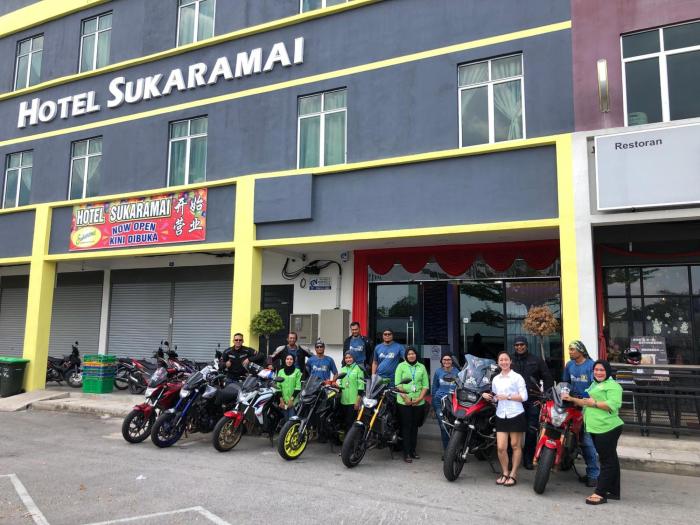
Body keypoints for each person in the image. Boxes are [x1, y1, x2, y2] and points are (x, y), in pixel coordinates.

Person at [562, 360, 623, 505]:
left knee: (606, 462)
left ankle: (600, 493)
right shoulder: (595, 384)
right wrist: (571, 399)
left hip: (607, 428)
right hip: (596, 428)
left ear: (607, 371)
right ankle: (613, 491)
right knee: (612, 460)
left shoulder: (613, 386)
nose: (598, 372)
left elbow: (613, 405)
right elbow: (586, 401)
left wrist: (594, 403)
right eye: (596, 370)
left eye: (602, 370)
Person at [483, 350, 528, 487]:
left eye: (506, 359)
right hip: (501, 414)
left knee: (515, 446)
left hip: (516, 414)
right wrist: (489, 397)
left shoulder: (517, 377)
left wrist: (508, 396)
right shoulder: (496, 379)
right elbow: (496, 397)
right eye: (501, 360)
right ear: (498, 363)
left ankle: (513, 474)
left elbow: (524, 397)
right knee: (501, 447)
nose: (504, 362)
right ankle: (505, 472)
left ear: (510, 361)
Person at [511, 335, 553, 469]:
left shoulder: (536, 360)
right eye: (517, 345)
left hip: (532, 400)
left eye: (522, 344)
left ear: (526, 345)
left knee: (531, 430)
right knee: (513, 430)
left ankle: (528, 459)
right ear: (514, 347)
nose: (519, 347)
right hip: (514, 400)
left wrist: (545, 396)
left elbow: (547, 378)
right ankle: (512, 458)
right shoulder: (509, 360)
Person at [562, 340, 600, 487]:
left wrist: (583, 400)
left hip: (587, 406)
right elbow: (565, 383)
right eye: (569, 349)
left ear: (581, 350)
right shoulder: (569, 365)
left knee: (586, 440)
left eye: (572, 349)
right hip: (572, 404)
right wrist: (564, 393)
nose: (570, 352)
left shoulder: (591, 365)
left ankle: (593, 475)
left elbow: (595, 388)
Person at [394, 346, 429, 463]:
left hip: (418, 402)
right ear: (406, 356)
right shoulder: (401, 366)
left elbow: (425, 385)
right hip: (404, 402)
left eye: (413, 353)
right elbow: (398, 385)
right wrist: (406, 398)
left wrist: (419, 398)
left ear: (416, 355)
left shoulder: (421, 367)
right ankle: (406, 452)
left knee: (415, 427)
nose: (411, 356)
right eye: (409, 354)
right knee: (406, 426)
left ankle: (413, 450)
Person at [431, 353, 457, 453]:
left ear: (452, 361)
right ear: (441, 361)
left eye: (448, 359)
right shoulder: (438, 372)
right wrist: (433, 405)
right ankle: (447, 452)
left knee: (455, 427)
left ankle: (455, 451)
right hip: (439, 402)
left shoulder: (457, 372)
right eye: (444, 360)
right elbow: (434, 387)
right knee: (443, 427)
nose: (446, 361)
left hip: (453, 403)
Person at [337, 351, 365, 432]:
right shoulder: (343, 369)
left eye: (350, 357)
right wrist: (336, 385)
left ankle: (351, 439)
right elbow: (341, 384)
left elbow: (361, 386)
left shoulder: (358, 369)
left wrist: (358, 401)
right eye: (346, 358)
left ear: (354, 358)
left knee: (351, 422)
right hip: (343, 400)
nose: (348, 359)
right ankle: (346, 438)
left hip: (353, 401)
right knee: (345, 422)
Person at [276, 354, 302, 421]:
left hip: (293, 401)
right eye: (287, 359)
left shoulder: (297, 371)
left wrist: (291, 400)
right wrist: (281, 400)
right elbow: (278, 387)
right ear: (285, 360)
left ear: (294, 361)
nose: (289, 361)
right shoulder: (280, 371)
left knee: (291, 420)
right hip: (283, 401)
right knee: (285, 420)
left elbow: (298, 387)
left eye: (291, 359)